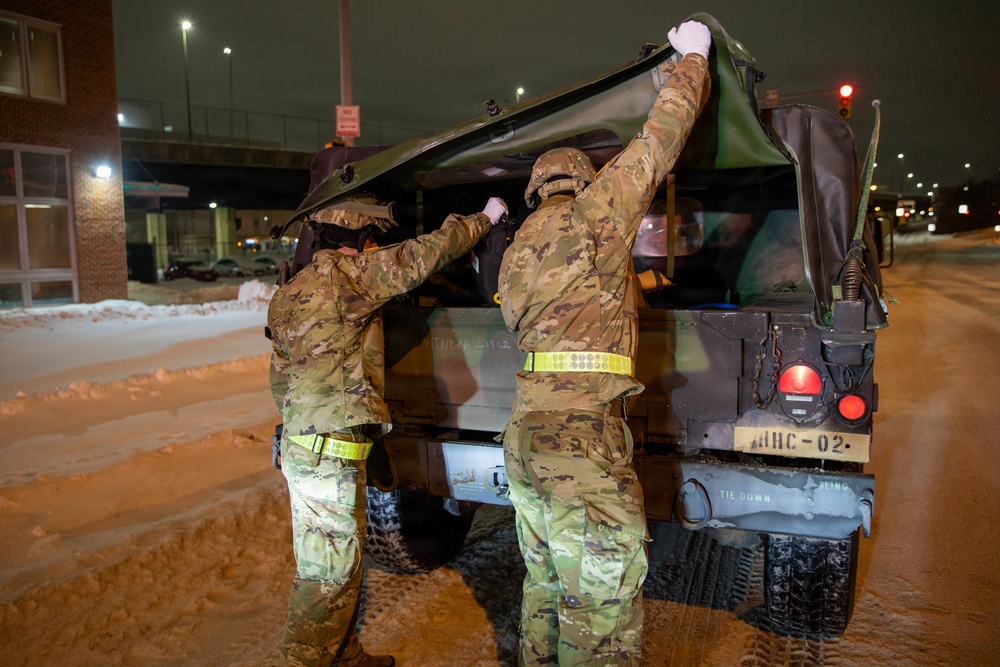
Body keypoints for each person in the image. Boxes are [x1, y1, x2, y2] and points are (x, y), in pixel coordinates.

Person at [497, 20, 713, 666]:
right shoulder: (596, 216)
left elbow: (527, 319)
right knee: (604, 602)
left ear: (535, 190)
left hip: (525, 437)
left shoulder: (515, 254)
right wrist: (693, 61)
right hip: (582, 439)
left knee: (544, 581)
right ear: (585, 183)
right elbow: (659, 140)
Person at [268, 195, 507, 667]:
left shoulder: (287, 296)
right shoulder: (352, 278)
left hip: (308, 445)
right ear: (361, 241)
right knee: (327, 576)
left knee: (341, 565)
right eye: (372, 239)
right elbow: (427, 254)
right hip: (329, 452)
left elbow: (280, 379)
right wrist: (486, 218)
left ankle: (342, 654)